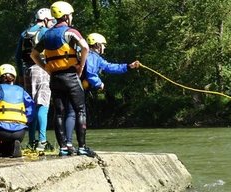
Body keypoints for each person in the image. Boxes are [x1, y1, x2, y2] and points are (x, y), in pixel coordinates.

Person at [30, 1, 94, 157]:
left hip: (55, 78)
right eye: (70, 15)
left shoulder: (46, 34)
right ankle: (82, 147)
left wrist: (46, 68)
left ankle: (63, 148)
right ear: (66, 16)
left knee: (59, 113)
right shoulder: (71, 31)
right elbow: (85, 47)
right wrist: (81, 66)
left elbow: (33, 54)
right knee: (80, 110)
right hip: (71, 76)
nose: (71, 17)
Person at [63, 33, 140, 148]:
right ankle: (75, 144)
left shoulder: (94, 56)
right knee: (77, 113)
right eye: (103, 45)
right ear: (97, 45)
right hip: (77, 87)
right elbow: (90, 73)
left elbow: (110, 67)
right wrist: (99, 83)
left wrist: (129, 66)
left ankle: (66, 143)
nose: (105, 47)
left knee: (70, 112)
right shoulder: (92, 56)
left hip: (67, 83)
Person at [16, 8, 55, 152]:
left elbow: (17, 56)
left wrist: (20, 75)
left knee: (31, 106)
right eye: (51, 20)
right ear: (45, 20)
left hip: (27, 71)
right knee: (42, 105)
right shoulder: (46, 32)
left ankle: (31, 141)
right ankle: (42, 142)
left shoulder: (24, 33)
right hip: (42, 69)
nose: (52, 23)